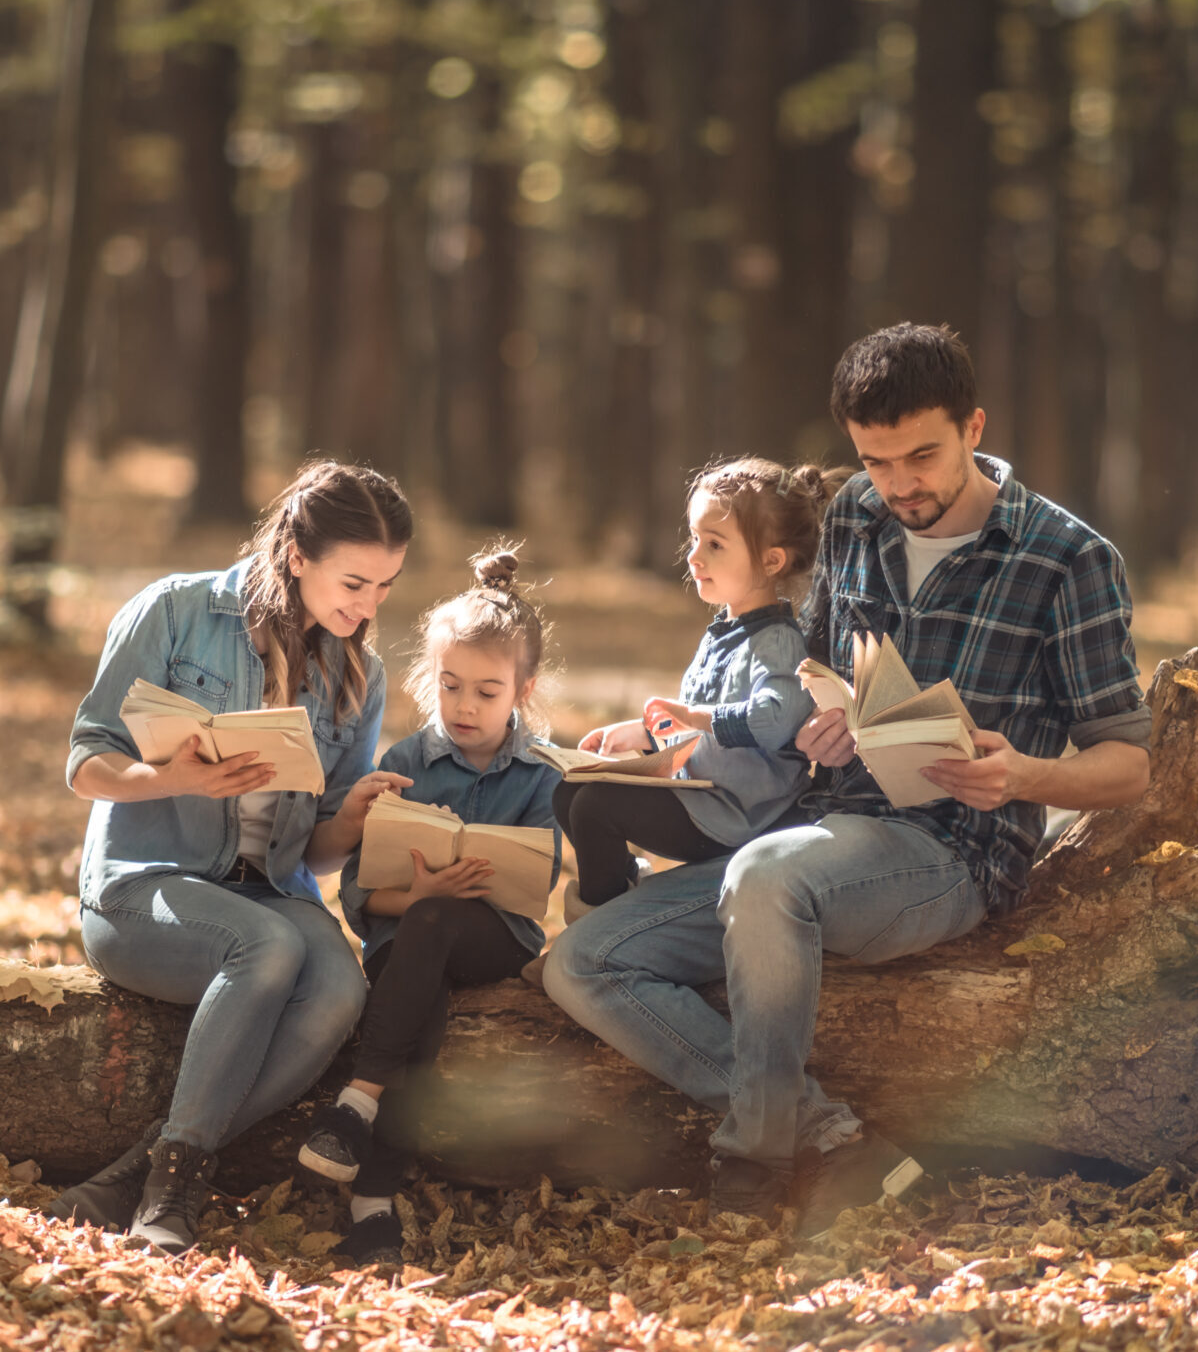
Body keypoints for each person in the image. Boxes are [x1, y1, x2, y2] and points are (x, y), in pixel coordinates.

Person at [543, 322, 1151, 1234]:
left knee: (768, 877)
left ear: (974, 427)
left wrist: (1023, 775)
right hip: (808, 830)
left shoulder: (1069, 559)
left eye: (923, 456)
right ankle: (831, 1135)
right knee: (582, 962)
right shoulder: (855, 518)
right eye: (877, 459)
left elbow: (1130, 766)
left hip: (947, 850)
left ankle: (752, 1162)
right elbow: (821, 673)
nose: (901, 484)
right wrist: (823, 724)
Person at [50, 460, 414, 1254]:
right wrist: (169, 776)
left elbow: (313, 855)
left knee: (338, 987)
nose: (368, 606)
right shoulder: (175, 611)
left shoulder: (359, 672)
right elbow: (85, 763)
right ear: (296, 556)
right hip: (143, 892)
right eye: (355, 583)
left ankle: (143, 1168)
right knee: (270, 944)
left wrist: (350, 819)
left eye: (385, 587)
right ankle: (172, 1190)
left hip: (269, 893)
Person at [298, 547, 561, 1266]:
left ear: (522, 691)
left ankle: (355, 1103)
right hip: (406, 935)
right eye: (450, 687)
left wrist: (443, 898)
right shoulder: (407, 764)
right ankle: (373, 1204)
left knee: (439, 922)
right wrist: (413, 894)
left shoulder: (543, 774)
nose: (466, 707)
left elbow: (533, 891)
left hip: (492, 936)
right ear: (429, 681)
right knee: (425, 1000)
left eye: (486, 691)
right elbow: (358, 896)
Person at [553, 457, 843, 922]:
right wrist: (644, 735)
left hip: (743, 815)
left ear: (771, 560)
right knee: (569, 793)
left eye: (715, 544)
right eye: (694, 538)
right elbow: (699, 728)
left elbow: (775, 718)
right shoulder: (723, 634)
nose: (694, 556)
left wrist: (693, 717)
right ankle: (623, 893)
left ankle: (600, 933)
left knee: (595, 808)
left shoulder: (779, 642)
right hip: (703, 794)